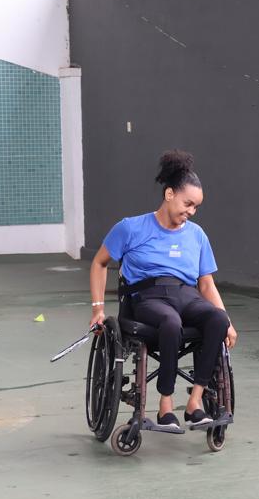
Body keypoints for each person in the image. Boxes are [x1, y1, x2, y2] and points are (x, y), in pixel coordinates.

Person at [88, 150, 238, 432]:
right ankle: (165, 406)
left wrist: (227, 320)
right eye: (187, 204)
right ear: (169, 194)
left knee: (217, 320)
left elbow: (206, 284)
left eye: (196, 207)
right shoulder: (131, 228)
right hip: (147, 298)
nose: (191, 212)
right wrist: (98, 308)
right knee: (171, 322)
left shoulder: (197, 235)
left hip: (187, 295)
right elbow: (99, 262)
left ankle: (194, 403)